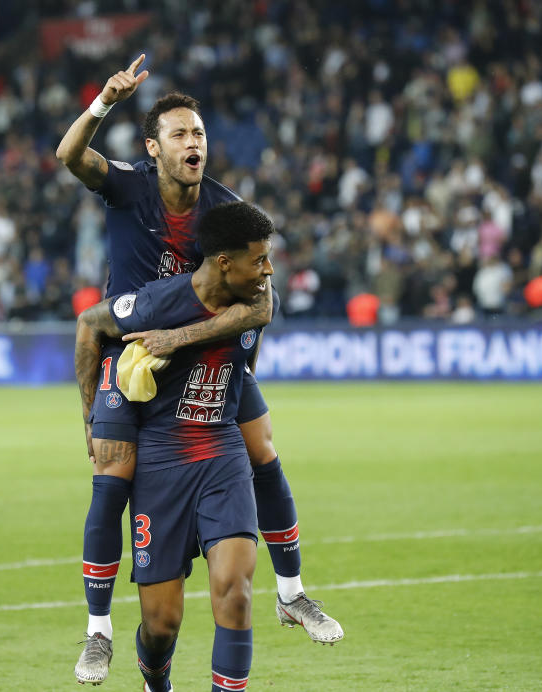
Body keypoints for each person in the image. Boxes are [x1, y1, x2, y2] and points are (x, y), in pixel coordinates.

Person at [57, 54, 342, 685]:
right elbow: (71, 157)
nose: (196, 144)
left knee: (261, 446)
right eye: (182, 134)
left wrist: (192, 340)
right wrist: (104, 100)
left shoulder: (224, 209)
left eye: (201, 134)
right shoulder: (128, 185)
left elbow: (261, 301)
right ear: (154, 147)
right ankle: (98, 633)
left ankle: (291, 589)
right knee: (111, 476)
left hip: (202, 352)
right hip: (131, 352)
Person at [75, 201, 274, 692]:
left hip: (222, 458)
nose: (269, 269)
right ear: (225, 262)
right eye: (260, 260)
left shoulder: (257, 300)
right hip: (161, 465)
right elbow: (89, 324)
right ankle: (154, 682)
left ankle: (291, 591)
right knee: (161, 625)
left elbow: (247, 365)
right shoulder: (157, 302)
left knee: (235, 592)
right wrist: (90, 416)